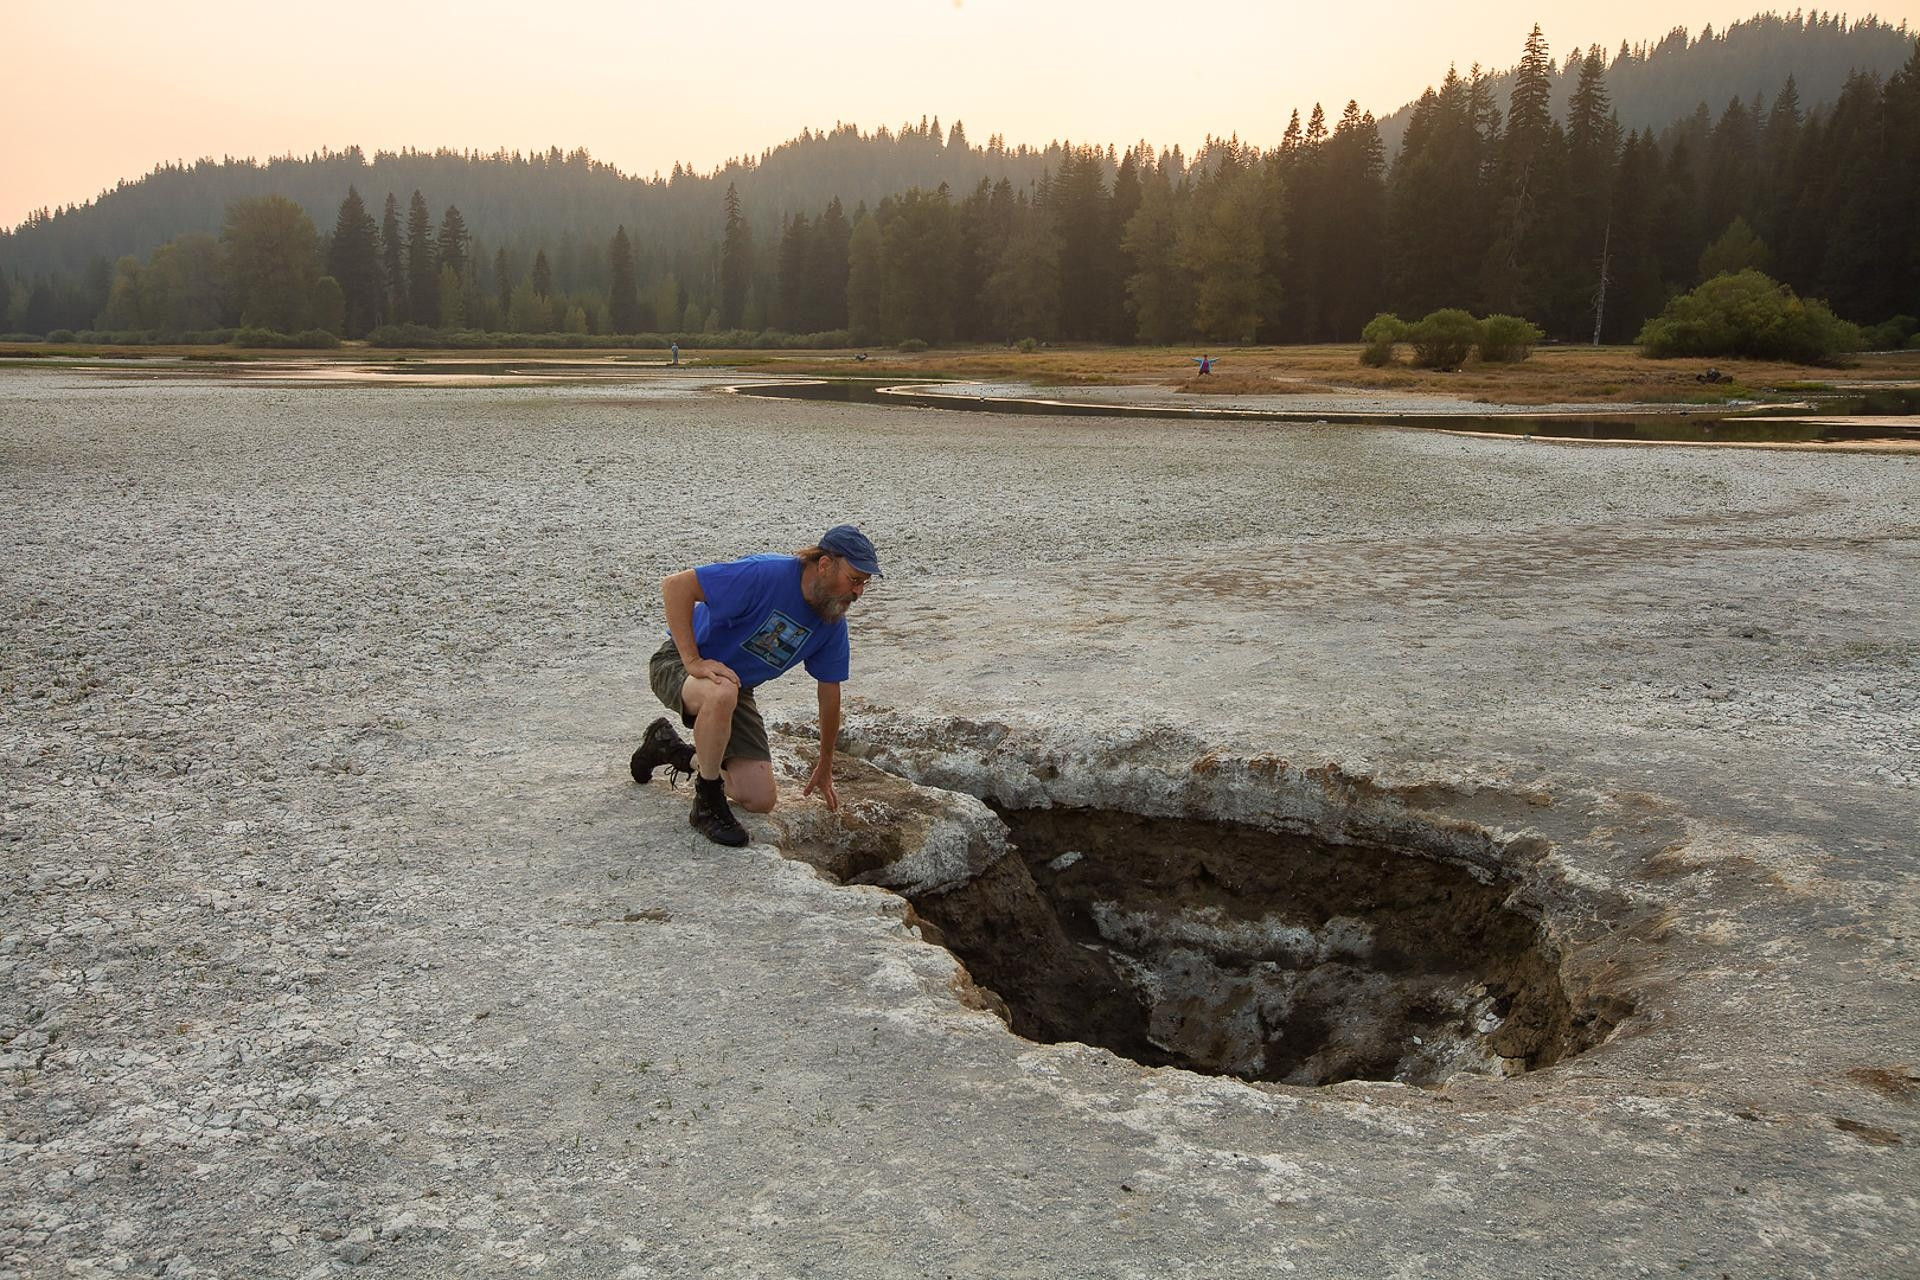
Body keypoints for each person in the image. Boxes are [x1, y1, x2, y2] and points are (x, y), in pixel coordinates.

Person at [629, 525, 882, 847]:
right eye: (855, 579)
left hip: (734, 688)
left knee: (758, 797)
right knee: (722, 692)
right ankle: (706, 804)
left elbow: (829, 694)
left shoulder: (830, 622)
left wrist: (826, 762)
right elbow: (676, 586)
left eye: (864, 584)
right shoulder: (766, 574)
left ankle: (669, 749)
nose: (858, 592)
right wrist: (692, 660)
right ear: (824, 564)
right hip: (678, 664)